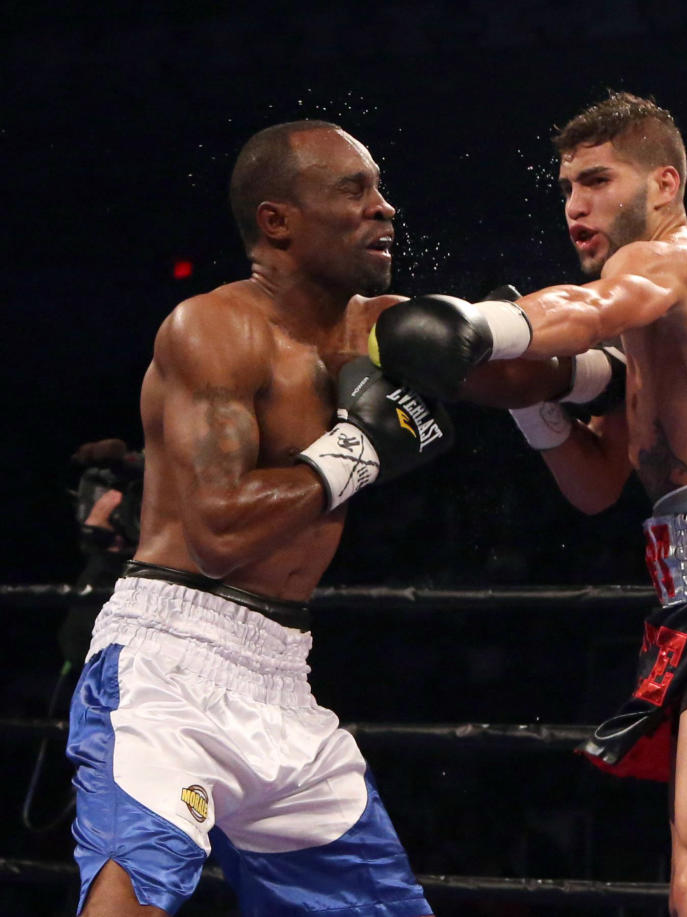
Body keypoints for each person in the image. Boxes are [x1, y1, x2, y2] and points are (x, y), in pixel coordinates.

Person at [368, 92, 687, 916]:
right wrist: (533, 401)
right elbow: (596, 484)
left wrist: (483, 324)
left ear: (663, 184)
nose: (575, 206)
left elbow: (583, 308)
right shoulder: (653, 328)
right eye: (566, 187)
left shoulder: (680, 264)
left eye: (596, 181)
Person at [66, 120, 449, 917]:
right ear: (278, 220)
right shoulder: (213, 327)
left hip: (281, 673)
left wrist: (590, 360)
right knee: (131, 899)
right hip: (168, 662)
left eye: (379, 189)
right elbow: (218, 532)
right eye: (355, 190)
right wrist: (363, 450)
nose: (385, 209)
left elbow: (516, 366)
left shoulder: (376, 328)